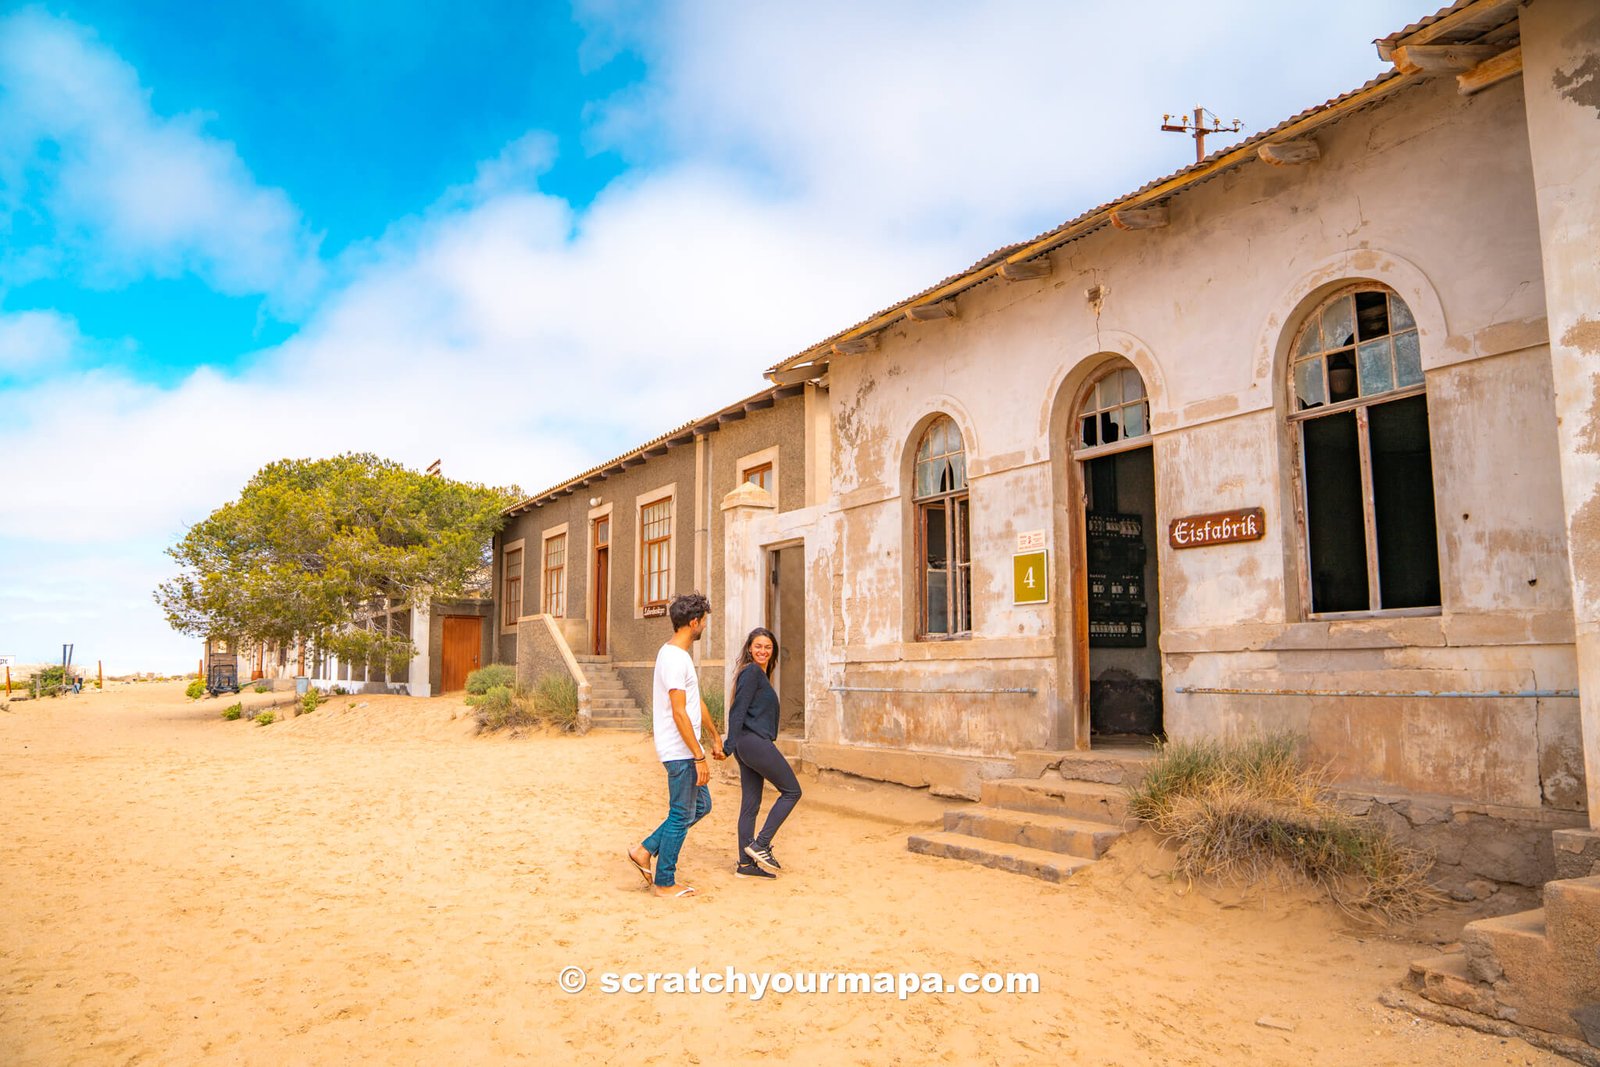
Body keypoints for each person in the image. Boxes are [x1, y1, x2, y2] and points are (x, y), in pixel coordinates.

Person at [627, 592, 724, 898]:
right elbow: (678, 710)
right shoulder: (671, 657)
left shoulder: (681, 657)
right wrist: (698, 755)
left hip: (687, 749)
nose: (704, 627)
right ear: (693, 622)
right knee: (681, 814)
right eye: (703, 622)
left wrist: (714, 734)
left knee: (702, 805)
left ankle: (644, 850)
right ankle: (664, 882)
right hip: (680, 752)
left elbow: (695, 703)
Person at [723, 626, 802, 879]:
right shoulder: (753, 674)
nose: (763, 651)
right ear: (749, 648)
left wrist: (734, 745)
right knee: (792, 791)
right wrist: (728, 745)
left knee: (750, 804)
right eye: (758, 646)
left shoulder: (757, 675)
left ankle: (746, 865)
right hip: (753, 742)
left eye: (768, 647)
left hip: (748, 743)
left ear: (773, 651)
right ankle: (761, 845)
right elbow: (737, 710)